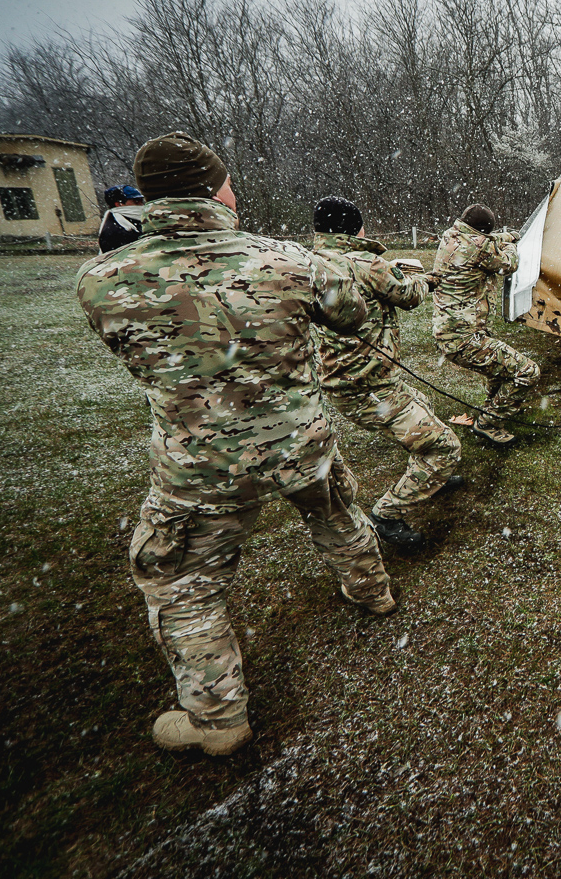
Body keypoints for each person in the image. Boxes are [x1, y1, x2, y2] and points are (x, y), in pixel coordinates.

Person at [77, 132, 399, 757]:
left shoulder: (102, 279)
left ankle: (218, 716)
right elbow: (353, 315)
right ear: (214, 189)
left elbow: (137, 350)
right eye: (228, 182)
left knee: (183, 582)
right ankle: (372, 591)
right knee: (335, 514)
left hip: (202, 468)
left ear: (149, 196)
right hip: (300, 443)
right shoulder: (288, 261)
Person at [308, 196, 464, 550]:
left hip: (345, 381)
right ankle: (387, 515)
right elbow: (409, 296)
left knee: (421, 403)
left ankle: (432, 474)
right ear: (356, 228)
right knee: (445, 447)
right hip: (369, 387)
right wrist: (428, 279)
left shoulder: (311, 262)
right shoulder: (369, 263)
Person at [430, 203, 540, 445]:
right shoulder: (480, 248)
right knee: (527, 371)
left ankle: (495, 407)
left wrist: (506, 234)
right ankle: (488, 422)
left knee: (500, 371)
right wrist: (512, 244)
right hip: (464, 339)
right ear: (482, 233)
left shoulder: (452, 236)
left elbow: (484, 240)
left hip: (449, 332)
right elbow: (509, 263)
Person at [98, 184, 146, 253]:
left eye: (141, 201)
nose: (141, 205)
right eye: (136, 201)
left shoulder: (138, 220)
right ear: (119, 204)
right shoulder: (113, 230)